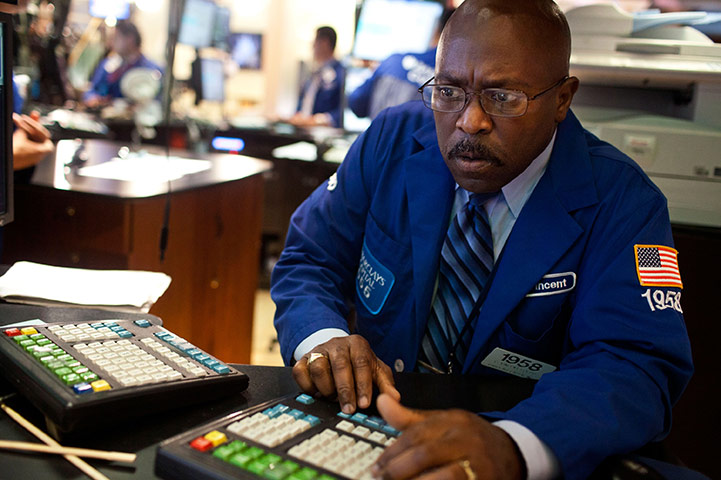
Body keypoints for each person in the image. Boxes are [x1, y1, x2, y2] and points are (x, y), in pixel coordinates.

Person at [270, 1, 693, 479]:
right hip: (374, 429)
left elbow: (632, 365)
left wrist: (515, 445)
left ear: (562, 98)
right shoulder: (392, 140)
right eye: (449, 91)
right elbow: (310, 257)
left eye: (503, 97)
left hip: (511, 440)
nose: (470, 121)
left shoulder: (624, 201)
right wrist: (324, 337)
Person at [347, 8, 453, 120]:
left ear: (436, 31)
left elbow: (356, 103)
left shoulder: (393, 61)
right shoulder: (455, 83)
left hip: (378, 136)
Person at [83, 20, 161, 108]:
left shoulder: (152, 70)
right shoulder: (107, 65)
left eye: (115, 38)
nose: (111, 43)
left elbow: (158, 100)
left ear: (130, 39)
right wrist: (92, 98)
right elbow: (93, 89)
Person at [288, 26, 345, 128]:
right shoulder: (314, 73)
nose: (312, 46)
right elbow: (304, 101)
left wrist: (319, 120)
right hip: (302, 129)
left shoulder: (341, 73)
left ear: (324, 43)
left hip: (324, 132)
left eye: (314, 42)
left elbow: (342, 111)